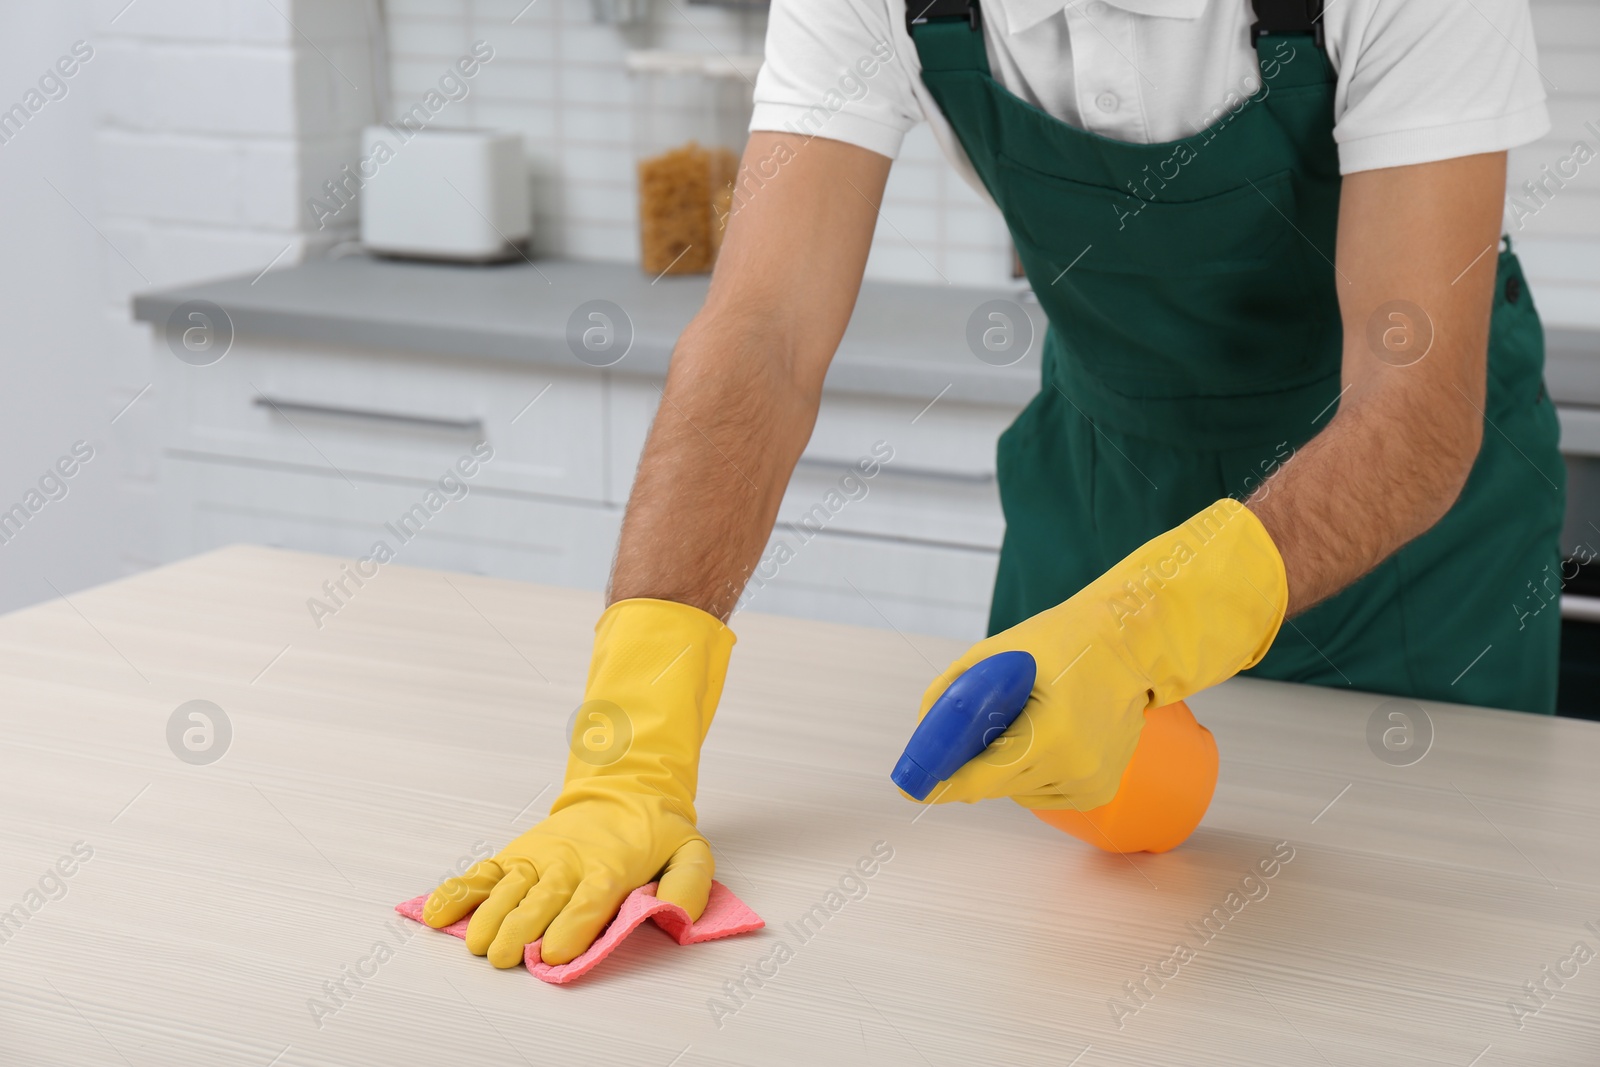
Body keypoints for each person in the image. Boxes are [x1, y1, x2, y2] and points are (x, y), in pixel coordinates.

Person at [423, 0, 1565, 967]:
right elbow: (760, 336)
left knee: (1409, 949)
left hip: (1410, 540)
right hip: (1105, 476)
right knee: (1041, 953)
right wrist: (628, 758)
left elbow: (1409, 412)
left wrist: (1139, 631)